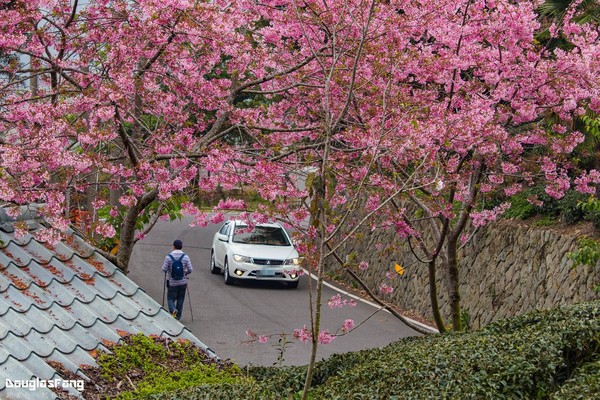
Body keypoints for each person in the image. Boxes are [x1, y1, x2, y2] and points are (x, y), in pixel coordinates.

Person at [162, 239, 193, 320]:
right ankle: (178, 317)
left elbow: (164, 269)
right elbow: (190, 269)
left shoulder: (168, 257)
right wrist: (185, 272)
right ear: (181, 247)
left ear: (173, 246)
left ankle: (173, 310)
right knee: (180, 299)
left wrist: (169, 269)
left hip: (172, 283)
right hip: (183, 283)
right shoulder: (185, 257)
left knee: (170, 299)